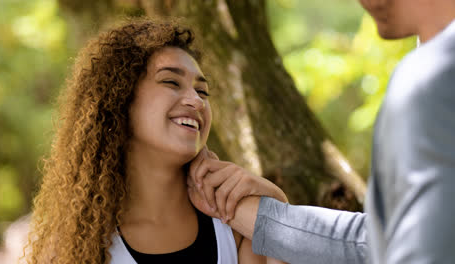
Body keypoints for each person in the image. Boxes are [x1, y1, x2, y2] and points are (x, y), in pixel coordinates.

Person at [187, 0, 455, 263]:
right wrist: (261, 211)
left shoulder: (430, 78)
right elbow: (379, 241)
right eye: (170, 83)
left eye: (201, 91)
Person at [23, 18, 288, 264]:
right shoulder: (76, 245)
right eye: (172, 82)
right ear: (121, 101)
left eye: (202, 91)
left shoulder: (236, 227)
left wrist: (276, 205)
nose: (196, 101)